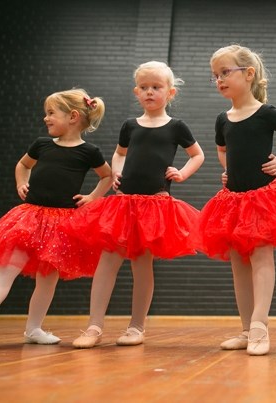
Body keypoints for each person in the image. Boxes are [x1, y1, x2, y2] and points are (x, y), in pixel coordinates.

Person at [0, 89, 112, 352]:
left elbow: (107, 176)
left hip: (63, 223)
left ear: (73, 116)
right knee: (6, 269)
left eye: (51, 113)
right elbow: (23, 165)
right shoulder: (41, 144)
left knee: (48, 278)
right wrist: (22, 183)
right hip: (31, 217)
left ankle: (34, 328)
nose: (46, 118)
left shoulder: (89, 151)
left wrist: (92, 197)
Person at [68, 61, 204, 348]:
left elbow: (197, 155)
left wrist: (182, 173)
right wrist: (116, 171)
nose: (149, 92)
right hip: (123, 204)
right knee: (107, 263)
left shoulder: (176, 127)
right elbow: (119, 154)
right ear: (136, 92)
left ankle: (136, 326)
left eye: (156, 87)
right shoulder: (130, 126)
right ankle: (93, 326)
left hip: (154, 205)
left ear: (170, 93)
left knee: (142, 265)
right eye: (144, 88)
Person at [197, 45, 276, 356]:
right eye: (215, 76)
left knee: (262, 258)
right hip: (233, 200)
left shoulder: (266, 113)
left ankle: (260, 326)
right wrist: (227, 170)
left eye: (225, 73)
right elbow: (222, 150)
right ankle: (246, 329)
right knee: (238, 264)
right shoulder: (223, 119)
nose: (220, 80)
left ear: (249, 74)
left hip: (264, 198)